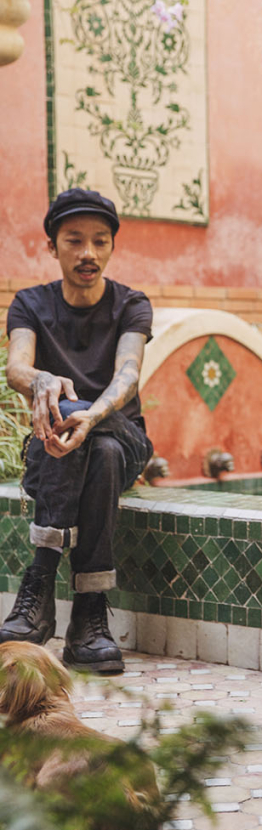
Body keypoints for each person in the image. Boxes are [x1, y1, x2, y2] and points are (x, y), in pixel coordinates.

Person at [1, 188, 153, 673]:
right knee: (98, 454)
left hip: (122, 434)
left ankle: (40, 579)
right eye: (74, 241)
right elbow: (16, 369)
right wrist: (42, 379)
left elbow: (128, 376)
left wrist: (88, 414)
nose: (88, 253)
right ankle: (89, 617)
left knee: (102, 435)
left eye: (99, 241)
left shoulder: (131, 304)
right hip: (62, 446)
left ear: (111, 246)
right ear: (53, 247)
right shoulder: (29, 304)